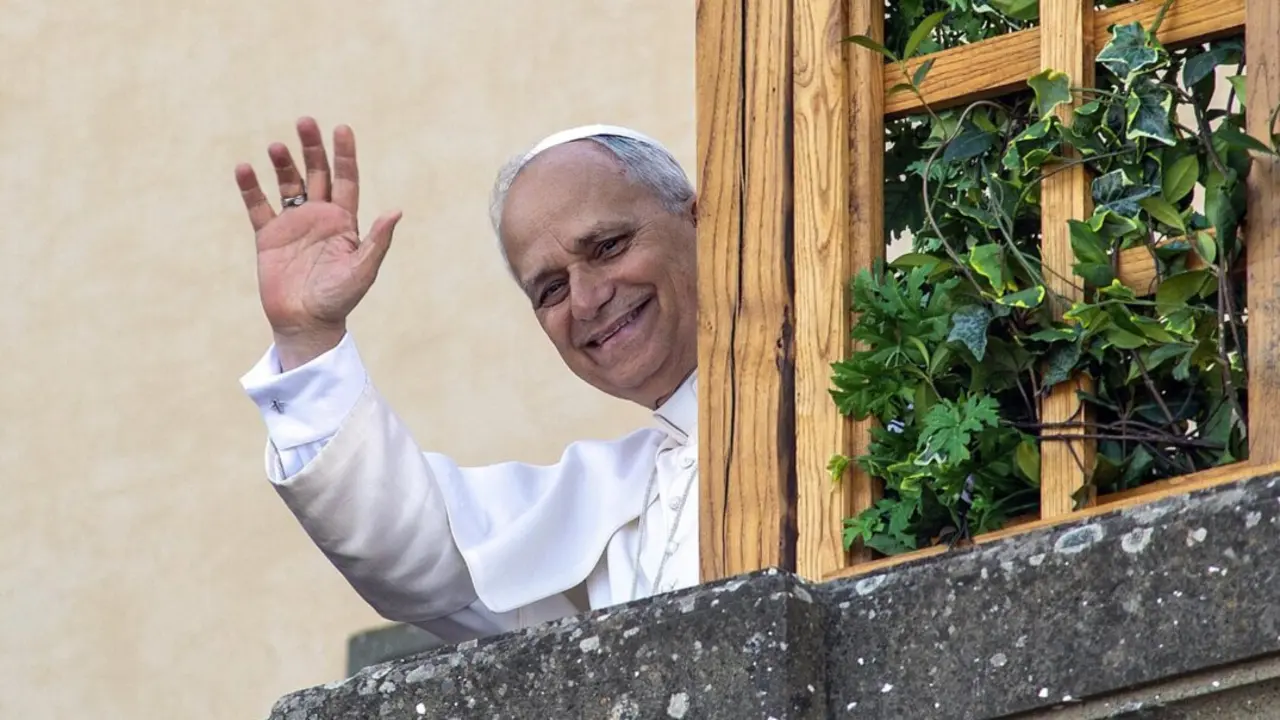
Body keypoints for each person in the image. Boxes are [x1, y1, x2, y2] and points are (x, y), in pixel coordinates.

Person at [234, 117, 700, 642]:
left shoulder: (812, 390)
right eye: (550, 290)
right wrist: (308, 337)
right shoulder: (618, 492)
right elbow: (413, 548)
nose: (588, 300)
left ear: (700, 221)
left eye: (608, 246)